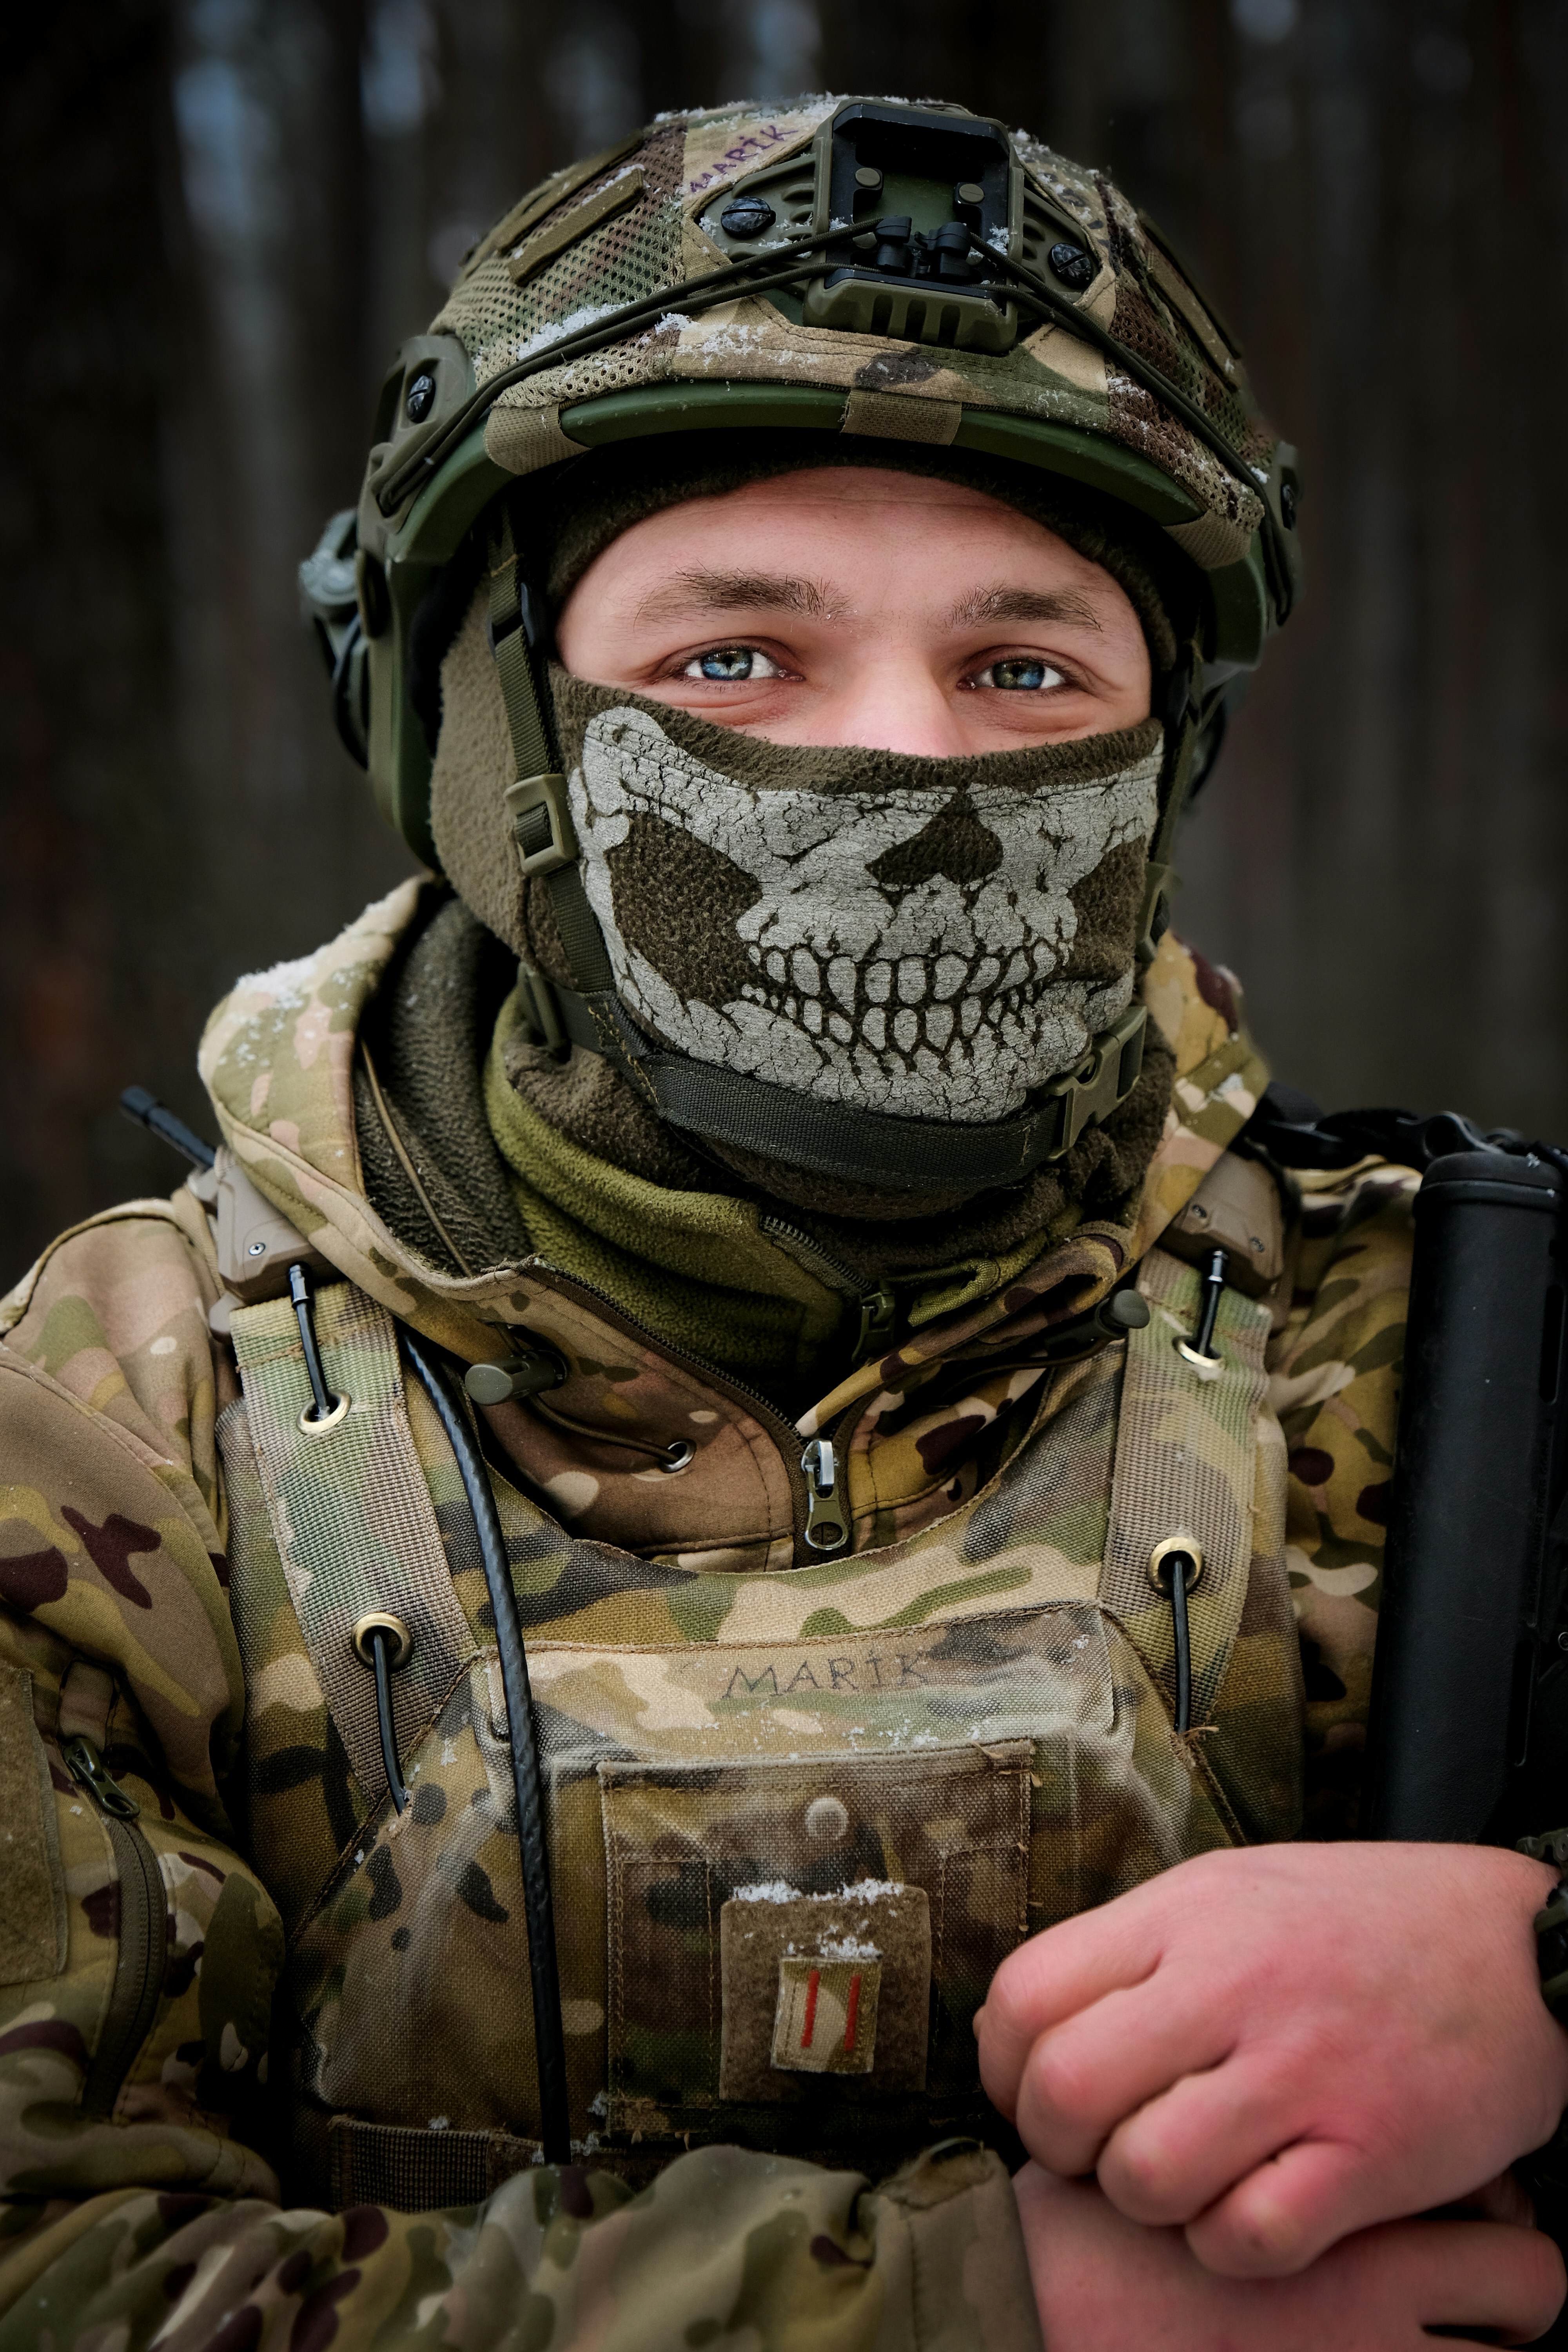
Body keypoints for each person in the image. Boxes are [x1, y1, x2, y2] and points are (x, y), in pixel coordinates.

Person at [0, 91, 1563, 2352]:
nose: (913, 775)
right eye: (737, 657)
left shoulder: (1430, 1360)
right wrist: (975, 2313)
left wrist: (1542, 1979)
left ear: (1161, 767)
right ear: (483, 736)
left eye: (1029, 671)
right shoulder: (118, 1429)